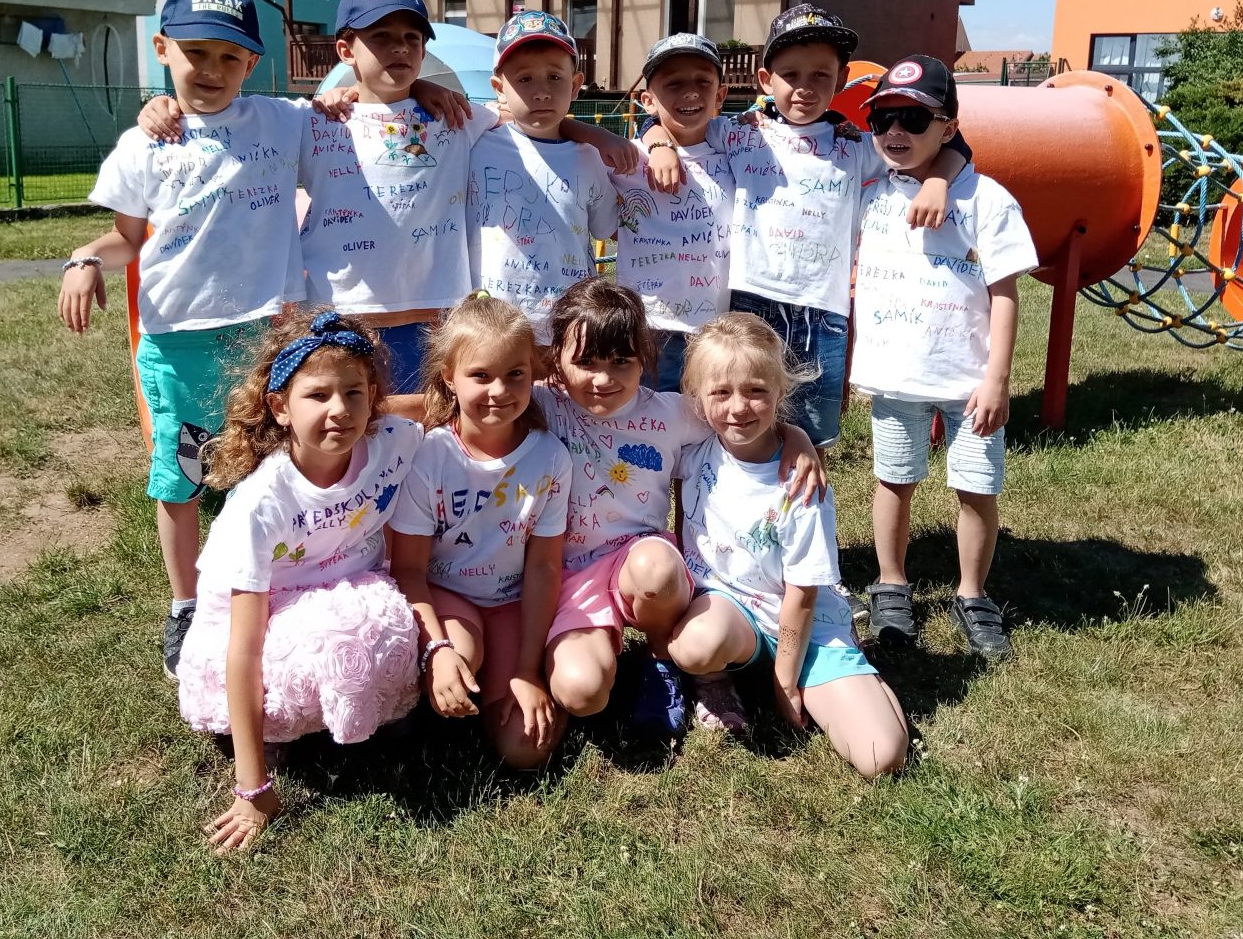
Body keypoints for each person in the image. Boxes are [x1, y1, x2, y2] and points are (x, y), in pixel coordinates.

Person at [139, 0, 636, 396]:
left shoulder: (457, 117)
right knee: (354, 430)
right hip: (341, 314)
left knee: (428, 431)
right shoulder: (316, 120)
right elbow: (231, 125)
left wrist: (598, 135)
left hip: (434, 317)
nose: (399, 48)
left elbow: (535, 120)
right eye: (381, 37)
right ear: (345, 50)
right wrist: (166, 106)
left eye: (411, 38)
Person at [58, 0, 314, 678]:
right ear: (162, 48)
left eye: (230, 57)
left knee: (266, 467)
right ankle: (186, 605)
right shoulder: (144, 145)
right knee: (184, 476)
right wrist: (84, 258)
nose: (211, 70)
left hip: (266, 336)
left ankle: (267, 584)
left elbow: (352, 99)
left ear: (253, 63)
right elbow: (126, 240)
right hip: (178, 343)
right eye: (196, 52)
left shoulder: (281, 122)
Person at [535, 278, 823, 743]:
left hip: (641, 563)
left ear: (645, 357)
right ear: (556, 361)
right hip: (570, 578)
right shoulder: (543, 405)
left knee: (656, 567)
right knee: (581, 693)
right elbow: (463, 405)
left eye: (621, 361)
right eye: (586, 363)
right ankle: (595, 656)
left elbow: (740, 416)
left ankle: (663, 661)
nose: (604, 379)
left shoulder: (672, 413)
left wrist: (797, 437)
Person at [176, 310, 423, 852]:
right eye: (318, 396)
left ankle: (374, 712)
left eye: (354, 393)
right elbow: (244, 648)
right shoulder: (261, 504)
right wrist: (253, 788)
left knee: (386, 615)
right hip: (266, 623)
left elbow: (443, 405)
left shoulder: (395, 440)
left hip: (349, 590)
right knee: (344, 634)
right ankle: (279, 734)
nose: (340, 410)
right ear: (279, 407)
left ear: (373, 397)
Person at [851, 56, 1038, 659]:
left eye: (913, 119)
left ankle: (973, 594)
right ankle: (891, 584)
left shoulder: (987, 199)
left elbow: (1004, 294)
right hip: (895, 378)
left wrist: (997, 379)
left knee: (977, 488)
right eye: (882, 118)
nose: (894, 131)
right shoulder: (870, 188)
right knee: (893, 480)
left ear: (949, 128)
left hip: (968, 382)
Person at [667, 313, 909, 777]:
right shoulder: (693, 445)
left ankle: (847, 672)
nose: (738, 407)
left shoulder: (801, 483)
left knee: (882, 757)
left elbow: (803, 595)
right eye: (721, 392)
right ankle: (716, 679)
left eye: (756, 390)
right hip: (730, 611)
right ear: (697, 398)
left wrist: (785, 684)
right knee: (695, 645)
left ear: (781, 392)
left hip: (805, 623)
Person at [721, 5, 970, 449]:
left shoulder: (856, 147)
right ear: (765, 80)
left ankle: (809, 494)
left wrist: (937, 181)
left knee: (813, 434)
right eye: (790, 74)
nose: (805, 87)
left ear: (842, 79)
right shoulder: (739, 135)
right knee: (742, 421)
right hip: (748, 301)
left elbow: (955, 143)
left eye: (821, 75)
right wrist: (658, 141)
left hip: (823, 312)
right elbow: (670, 125)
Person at [388, 293, 572, 767]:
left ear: (534, 373)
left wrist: (528, 670)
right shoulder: (429, 456)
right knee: (462, 654)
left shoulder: (551, 457)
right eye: (481, 375)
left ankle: (499, 685)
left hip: (511, 602)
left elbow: (544, 566)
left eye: (515, 374)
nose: (499, 390)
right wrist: (438, 648)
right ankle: (416, 696)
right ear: (449, 376)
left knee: (524, 750)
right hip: (445, 598)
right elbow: (408, 571)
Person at [468, 12, 620, 342]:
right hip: (492, 331)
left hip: (570, 329)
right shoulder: (474, 146)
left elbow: (610, 229)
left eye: (554, 77)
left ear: (575, 85)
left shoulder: (590, 157)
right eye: (525, 79)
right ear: (499, 89)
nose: (541, 92)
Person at [610, 33, 737, 392]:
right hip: (651, 325)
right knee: (651, 414)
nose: (691, 92)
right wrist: (657, 141)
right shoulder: (629, 158)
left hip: (716, 325)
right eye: (674, 83)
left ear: (720, 95)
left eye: (703, 82)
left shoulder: (739, 154)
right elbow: (565, 135)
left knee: (708, 414)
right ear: (647, 100)